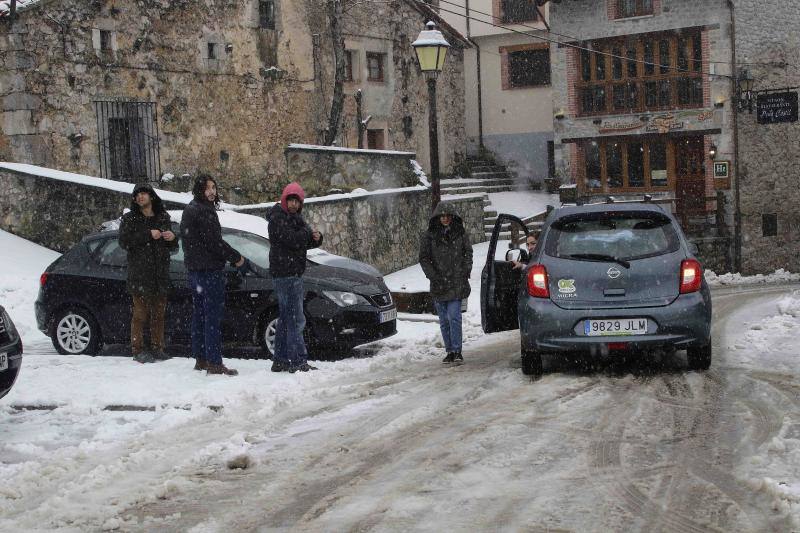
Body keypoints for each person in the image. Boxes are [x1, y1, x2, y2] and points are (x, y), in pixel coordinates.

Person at [180, 175, 245, 376]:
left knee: (200, 316)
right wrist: (237, 258)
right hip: (209, 272)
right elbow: (215, 243)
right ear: (200, 190)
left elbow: (192, 242)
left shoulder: (190, 209)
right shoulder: (203, 212)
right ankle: (214, 362)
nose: (211, 192)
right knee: (211, 318)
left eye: (214, 187)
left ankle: (201, 358)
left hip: (195, 271)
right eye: (207, 188)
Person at [266, 182, 323, 373]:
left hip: (292, 273)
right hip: (286, 274)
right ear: (284, 200)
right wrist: (307, 233)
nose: (293, 205)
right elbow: (291, 240)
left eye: (296, 202)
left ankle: (280, 360)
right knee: (296, 319)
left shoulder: (295, 218)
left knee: (285, 318)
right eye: (290, 201)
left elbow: (302, 242)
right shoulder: (277, 218)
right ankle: (298, 360)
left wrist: (316, 238)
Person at [119, 184, 178, 363]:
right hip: (140, 274)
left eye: (143, 193)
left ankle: (157, 348)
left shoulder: (163, 217)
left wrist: (172, 238)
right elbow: (124, 241)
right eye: (137, 195)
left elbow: (173, 247)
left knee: (159, 314)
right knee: (140, 315)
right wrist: (147, 234)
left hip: (160, 274)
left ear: (151, 196)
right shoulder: (130, 219)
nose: (140, 197)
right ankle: (137, 350)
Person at [419, 202, 473, 365]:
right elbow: (423, 258)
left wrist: (464, 271)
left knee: (454, 317)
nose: (445, 218)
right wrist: (433, 276)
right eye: (442, 216)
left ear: (452, 217)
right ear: (437, 217)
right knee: (444, 320)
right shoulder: (429, 235)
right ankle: (449, 351)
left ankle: (457, 351)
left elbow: (468, 253)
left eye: (447, 215)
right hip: (438, 283)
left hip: (456, 282)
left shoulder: (460, 233)